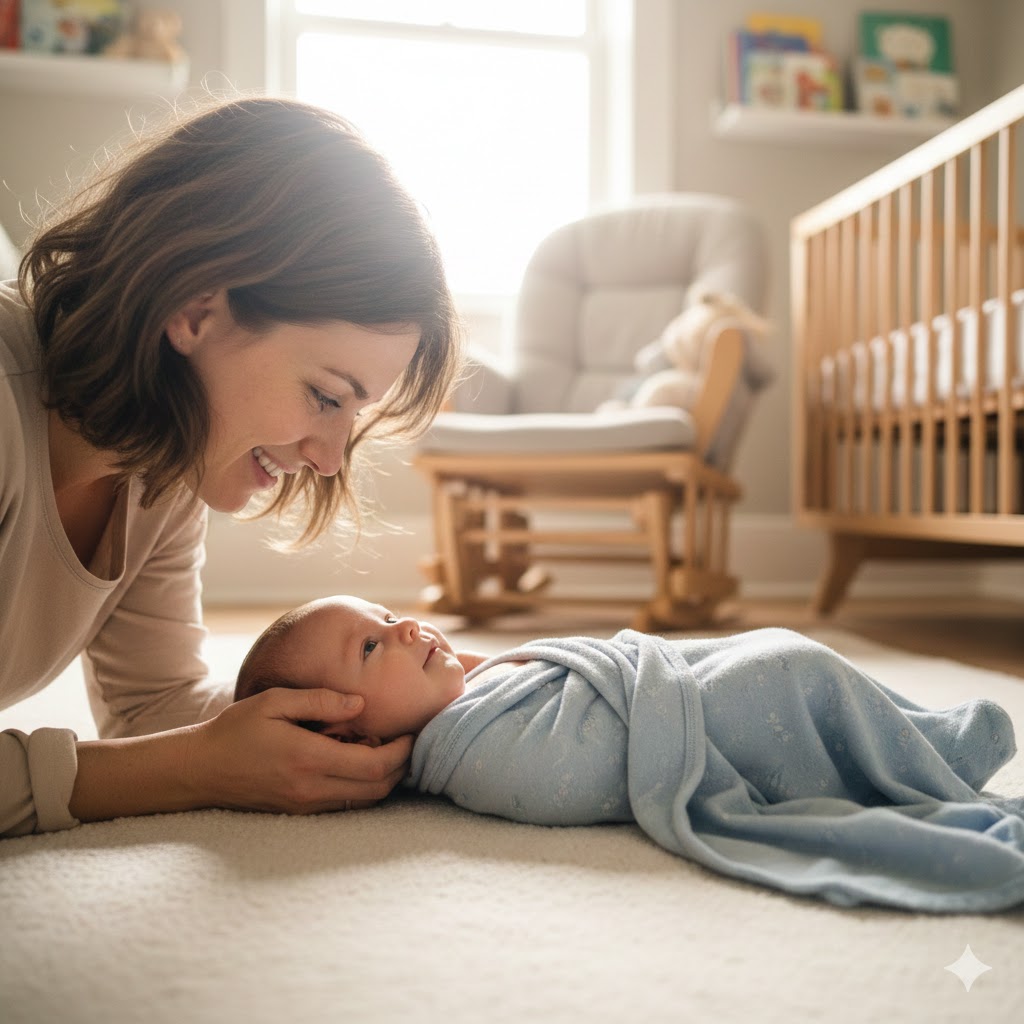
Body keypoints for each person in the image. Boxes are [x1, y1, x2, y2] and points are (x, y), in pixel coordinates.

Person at [0, 96, 462, 839]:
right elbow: (180, 756)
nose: (329, 457)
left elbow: (155, 710)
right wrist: (196, 767)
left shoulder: (162, 468)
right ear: (195, 307)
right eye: (324, 395)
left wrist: (406, 711)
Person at [234, 595, 1024, 913]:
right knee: (786, 672)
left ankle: (919, 735)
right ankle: (929, 759)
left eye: (389, 614)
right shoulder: (471, 755)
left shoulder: (465, 698)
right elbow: (568, 772)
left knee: (767, 650)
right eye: (374, 644)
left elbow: (575, 668)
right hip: (684, 723)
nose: (407, 627)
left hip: (666, 685)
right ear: (349, 733)